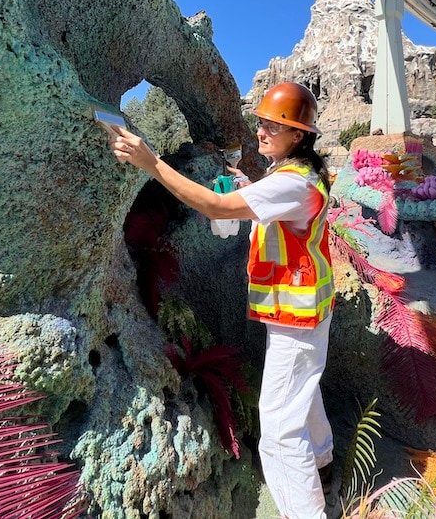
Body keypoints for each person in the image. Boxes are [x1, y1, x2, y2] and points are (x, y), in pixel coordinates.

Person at [108, 82, 335, 518]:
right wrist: (249, 187)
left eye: (274, 125)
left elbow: (214, 206)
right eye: (262, 122)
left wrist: (150, 162)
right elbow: (275, 208)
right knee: (302, 393)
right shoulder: (301, 174)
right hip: (305, 310)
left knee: (279, 432)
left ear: (298, 136)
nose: (262, 130)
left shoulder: (291, 184)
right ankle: (324, 466)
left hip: (297, 315)